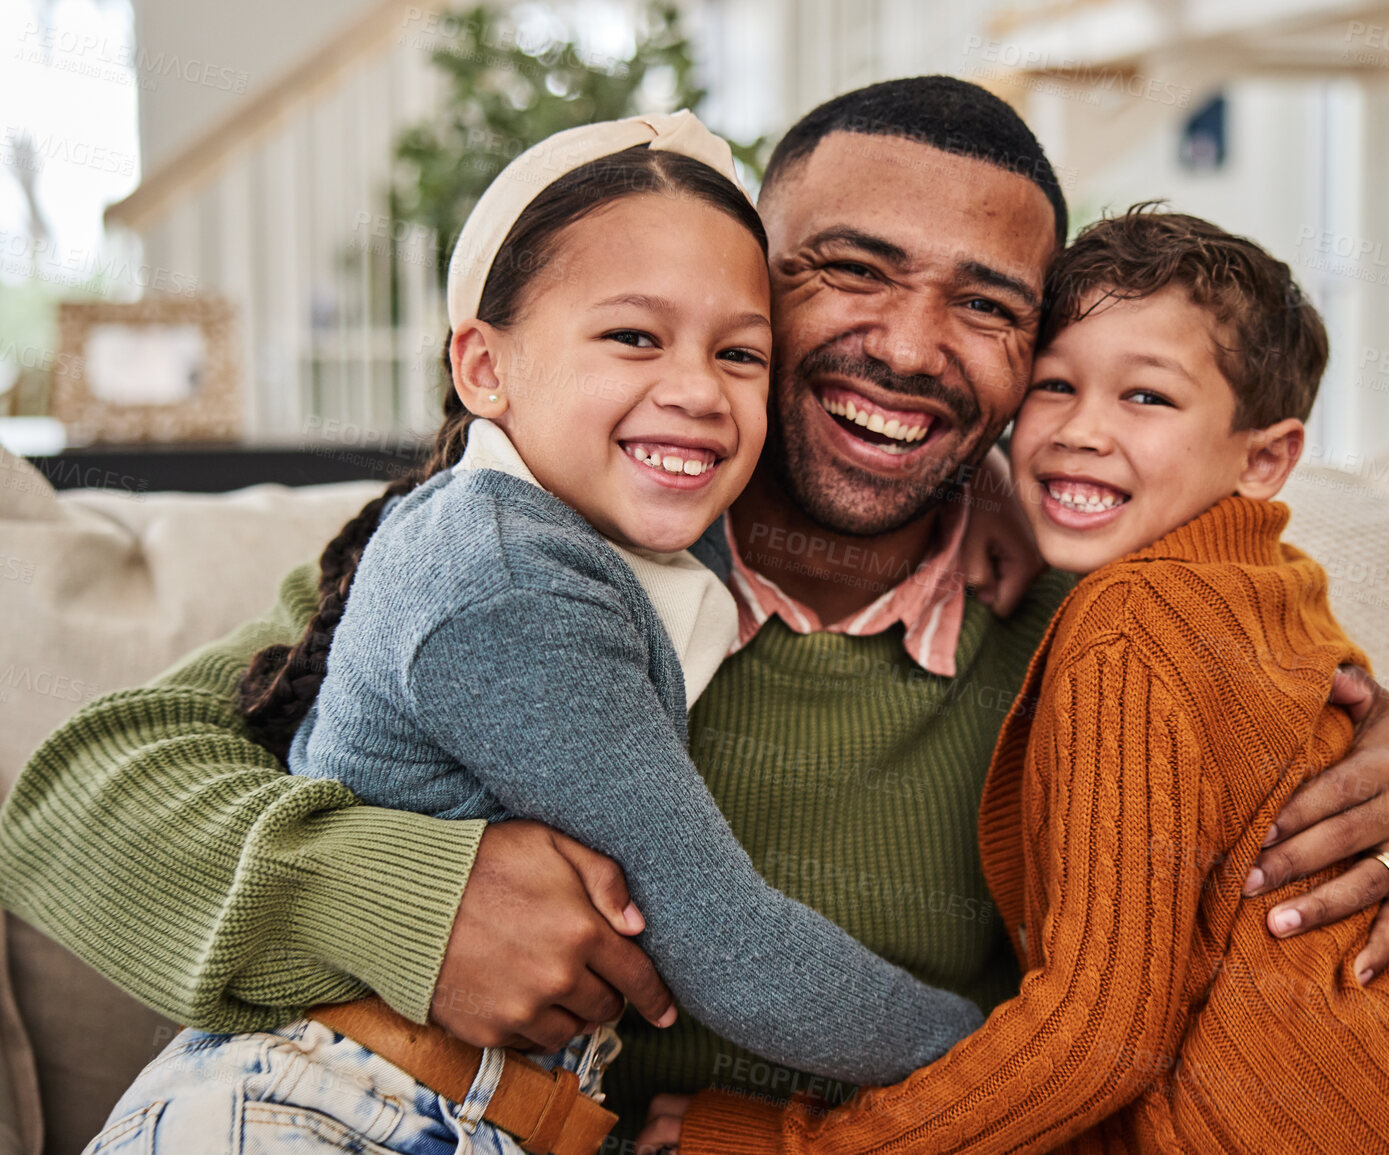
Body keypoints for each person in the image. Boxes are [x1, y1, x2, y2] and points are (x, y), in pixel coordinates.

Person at [0, 77, 1389, 1144]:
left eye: (987, 307)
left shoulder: (1095, 623)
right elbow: (76, 801)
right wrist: (402, 898)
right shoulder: (541, 552)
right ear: (743, 288)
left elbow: (1358, 950)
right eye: (841, 273)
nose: (907, 347)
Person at [80, 111, 1002, 1154]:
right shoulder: (506, 574)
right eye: (633, 335)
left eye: (738, 351)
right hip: (319, 1110)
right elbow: (729, 946)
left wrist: (990, 482)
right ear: (483, 366)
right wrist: (1002, 1052)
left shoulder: (630, 521)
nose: (697, 389)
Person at [649, 206, 1389, 1154]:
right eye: (1055, 386)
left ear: (1265, 458)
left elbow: (1098, 1037)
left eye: (1147, 399)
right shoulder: (1266, 580)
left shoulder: (1127, 625)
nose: (1081, 431)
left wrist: (790, 1146)